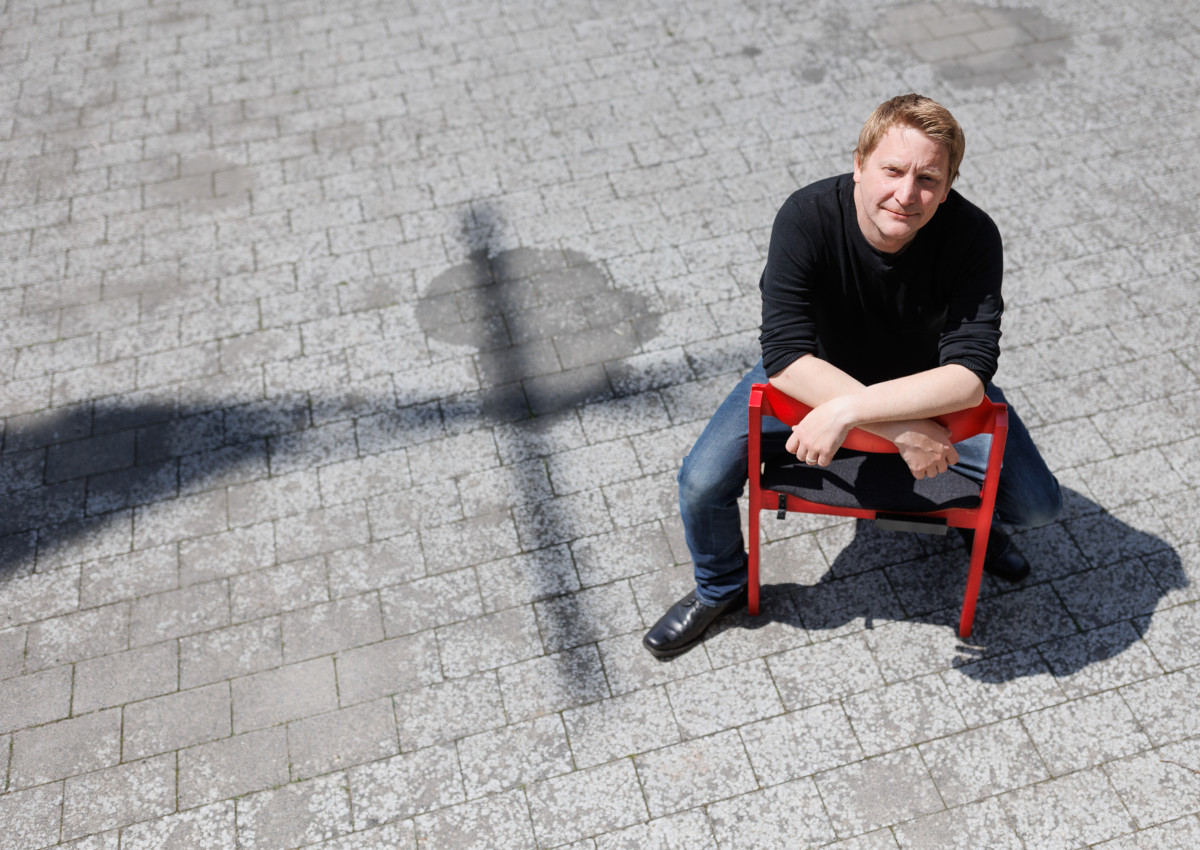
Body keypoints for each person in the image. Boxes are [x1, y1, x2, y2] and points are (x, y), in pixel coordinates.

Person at [643, 94, 1062, 658]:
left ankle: (970, 520)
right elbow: (786, 357)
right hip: (813, 376)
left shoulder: (973, 235)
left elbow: (968, 376)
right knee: (700, 482)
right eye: (892, 170)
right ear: (860, 163)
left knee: (1039, 506)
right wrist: (904, 431)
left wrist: (847, 412)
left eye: (928, 179)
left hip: (925, 383)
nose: (906, 194)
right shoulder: (806, 216)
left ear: (949, 183)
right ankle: (723, 586)